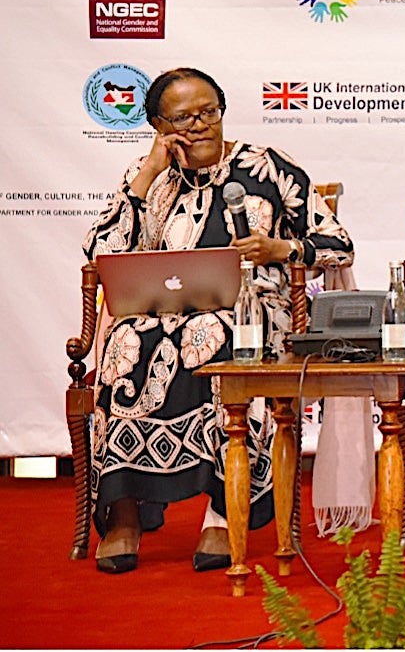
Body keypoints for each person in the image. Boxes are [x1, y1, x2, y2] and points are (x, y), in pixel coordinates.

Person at [83, 67, 354, 574]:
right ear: (160, 127)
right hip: (154, 315)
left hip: (249, 312)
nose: (201, 125)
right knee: (125, 343)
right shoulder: (145, 179)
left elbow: (338, 244)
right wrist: (147, 175)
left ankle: (223, 510)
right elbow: (101, 254)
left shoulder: (268, 167)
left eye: (209, 112)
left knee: (218, 335)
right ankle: (124, 512)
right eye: (184, 118)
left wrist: (283, 247)